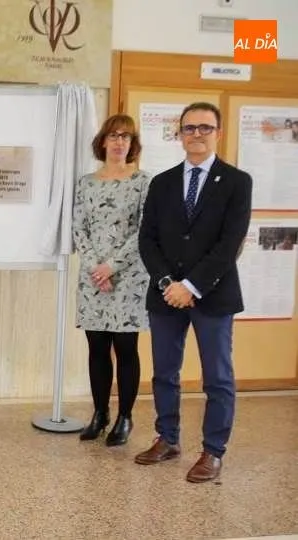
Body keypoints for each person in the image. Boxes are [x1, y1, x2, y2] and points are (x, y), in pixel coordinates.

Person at [136, 102, 252, 483]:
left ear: (218, 133)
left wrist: (191, 286)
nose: (197, 134)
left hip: (213, 295)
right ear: (180, 134)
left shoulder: (237, 182)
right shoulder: (162, 183)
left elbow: (229, 244)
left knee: (217, 376)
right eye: (190, 128)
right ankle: (167, 439)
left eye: (205, 127)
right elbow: (147, 240)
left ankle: (213, 451)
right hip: (166, 295)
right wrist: (168, 284)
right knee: (164, 372)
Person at [72, 114, 150, 447]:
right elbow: (79, 229)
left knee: (126, 347)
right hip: (93, 279)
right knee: (97, 348)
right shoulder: (86, 183)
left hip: (128, 278)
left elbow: (144, 230)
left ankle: (125, 417)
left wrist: (111, 267)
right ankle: (100, 413)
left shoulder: (144, 181)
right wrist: (96, 268)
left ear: (133, 144)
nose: (120, 142)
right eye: (114, 135)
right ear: (102, 141)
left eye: (126, 137)